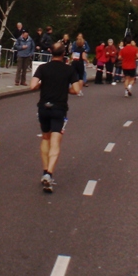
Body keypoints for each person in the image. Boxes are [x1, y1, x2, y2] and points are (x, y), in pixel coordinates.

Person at [30, 43, 81, 192]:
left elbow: (32, 85)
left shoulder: (43, 68)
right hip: (59, 109)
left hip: (43, 108)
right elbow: (76, 89)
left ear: (51, 52)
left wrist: (43, 85)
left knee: (45, 138)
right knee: (56, 141)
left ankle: (45, 171)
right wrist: (65, 88)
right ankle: (49, 174)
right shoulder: (69, 69)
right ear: (64, 53)